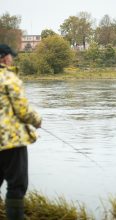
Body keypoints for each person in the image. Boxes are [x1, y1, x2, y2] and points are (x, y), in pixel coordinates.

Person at [0, 44, 42, 220]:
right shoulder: (9, 78)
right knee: (17, 186)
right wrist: (38, 121)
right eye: (11, 56)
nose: (12, 59)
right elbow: (23, 111)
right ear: (4, 57)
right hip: (10, 141)